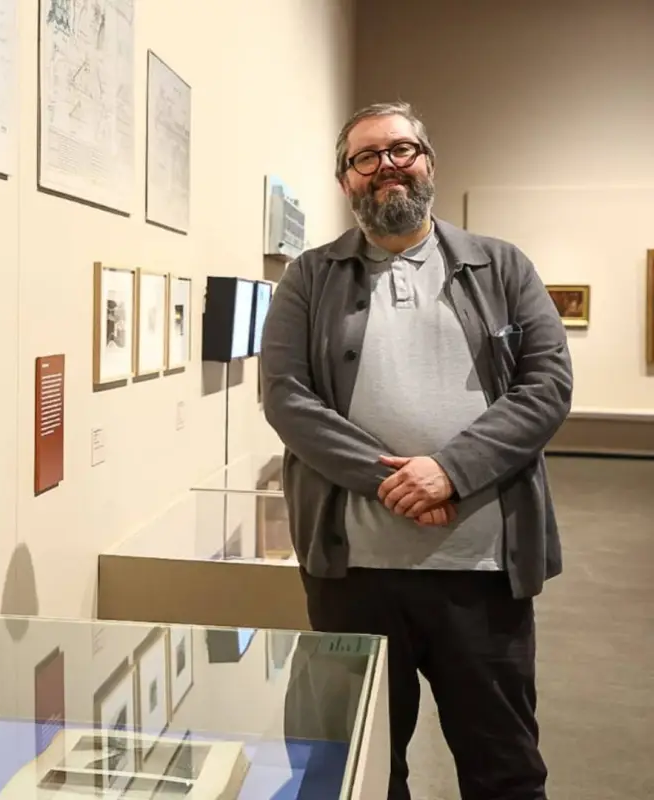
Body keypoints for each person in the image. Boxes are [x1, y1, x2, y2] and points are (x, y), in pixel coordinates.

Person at [260, 101, 573, 800]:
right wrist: (394, 482)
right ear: (346, 180)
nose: (387, 168)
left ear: (429, 163)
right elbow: (286, 397)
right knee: (353, 769)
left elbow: (547, 387)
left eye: (402, 150)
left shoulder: (503, 267)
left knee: (505, 769)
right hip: (354, 577)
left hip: (484, 573)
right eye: (366, 158)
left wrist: (449, 472)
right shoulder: (308, 279)